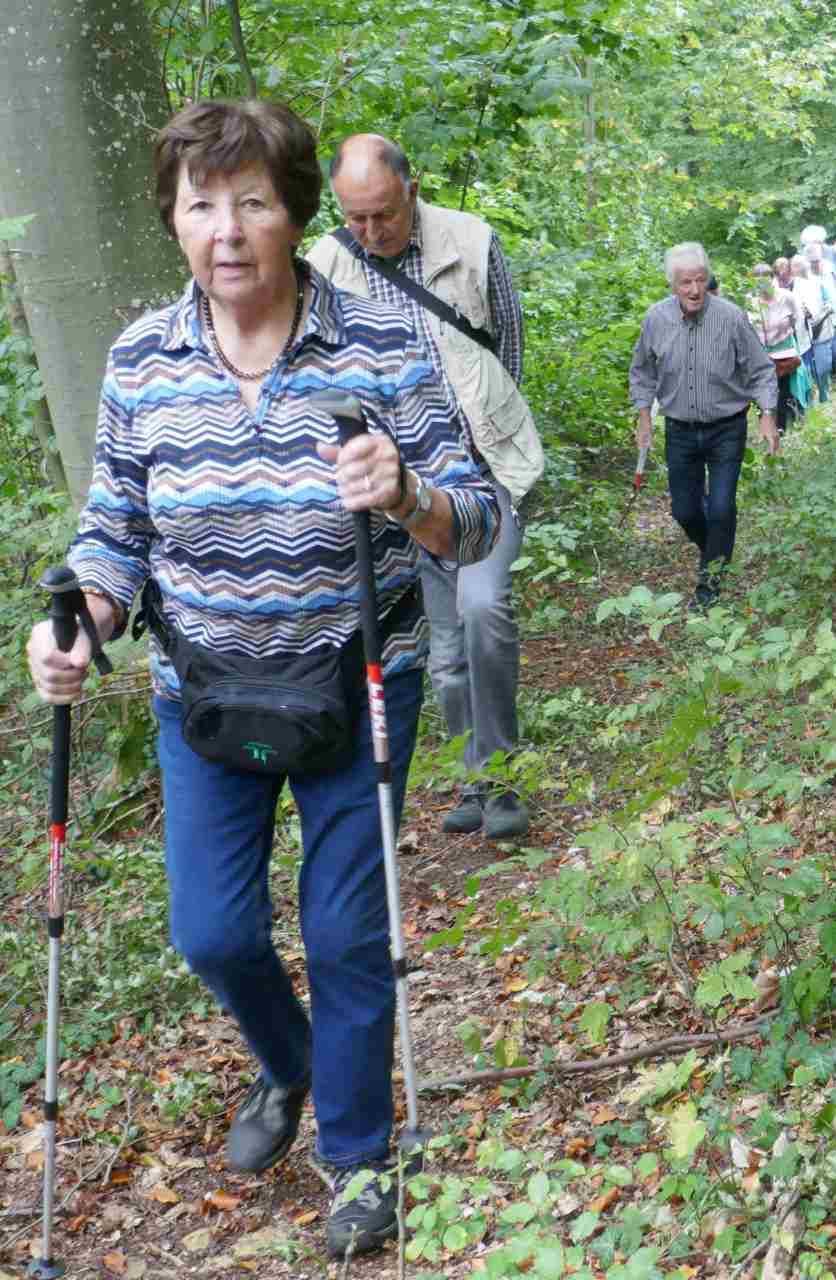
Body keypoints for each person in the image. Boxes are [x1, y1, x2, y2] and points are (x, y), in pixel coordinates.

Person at [25, 99, 500, 1260]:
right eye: (201, 205)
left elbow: (477, 517)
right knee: (211, 930)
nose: (227, 229)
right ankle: (288, 1062)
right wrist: (80, 626)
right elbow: (114, 537)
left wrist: (407, 494)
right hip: (207, 692)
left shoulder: (380, 344)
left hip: (355, 681)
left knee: (343, 931)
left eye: (251, 202)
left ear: (294, 214)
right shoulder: (143, 360)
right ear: (174, 221)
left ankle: (361, 1153)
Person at [308, 135, 537, 841]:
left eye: (382, 214)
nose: (369, 231)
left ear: (412, 189)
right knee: (444, 652)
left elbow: (509, 349)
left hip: (481, 471)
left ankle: (503, 776)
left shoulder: (471, 242)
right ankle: (476, 778)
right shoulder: (324, 265)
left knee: (483, 608)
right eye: (354, 217)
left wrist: (489, 439)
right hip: (395, 492)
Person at [629, 243, 779, 609]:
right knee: (685, 511)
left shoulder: (731, 317)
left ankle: (709, 586)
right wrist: (644, 416)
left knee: (722, 507)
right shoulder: (655, 319)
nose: (694, 290)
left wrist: (767, 415)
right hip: (679, 429)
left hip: (727, 427)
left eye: (700, 280)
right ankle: (716, 550)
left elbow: (761, 369)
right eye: (685, 282)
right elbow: (642, 371)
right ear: (672, 285)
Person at [746, 262, 808, 437]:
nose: (761, 286)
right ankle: (765, 427)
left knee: (781, 390)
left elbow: (798, 319)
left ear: (772, 279)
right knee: (761, 391)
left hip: (784, 351)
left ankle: (780, 427)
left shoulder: (786, 297)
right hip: (760, 353)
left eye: (764, 281)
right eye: (757, 282)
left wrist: (796, 344)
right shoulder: (750, 301)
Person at [793, 255, 836, 400]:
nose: (799, 268)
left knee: (823, 366)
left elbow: (829, 301)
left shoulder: (817, 281)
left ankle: (824, 393)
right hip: (804, 331)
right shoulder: (794, 285)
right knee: (809, 369)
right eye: (795, 265)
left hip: (821, 327)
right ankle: (815, 397)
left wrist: (827, 308)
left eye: (800, 264)